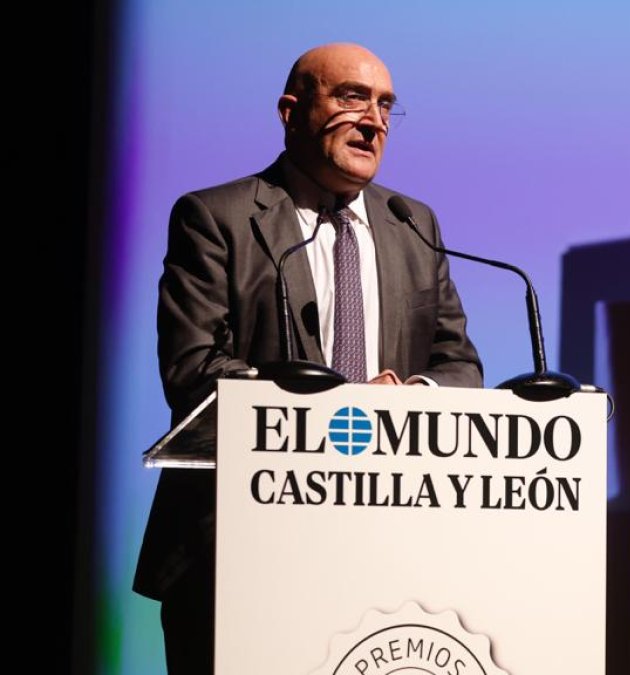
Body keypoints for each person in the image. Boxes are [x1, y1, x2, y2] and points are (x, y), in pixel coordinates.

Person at [133, 43, 483, 674]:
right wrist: (342, 407)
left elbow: (459, 364)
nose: (373, 120)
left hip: (384, 544)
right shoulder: (217, 219)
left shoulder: (413, 224)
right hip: (236, 548)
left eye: (385, 106)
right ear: (291, 112)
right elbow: (192, 372)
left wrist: (413, 399)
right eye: (351, 97)